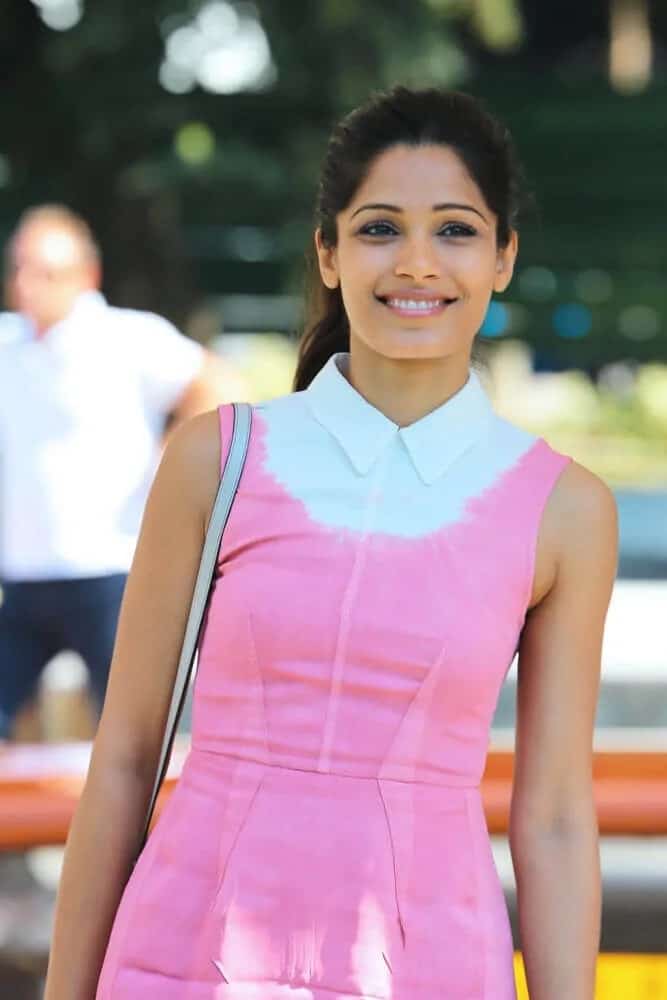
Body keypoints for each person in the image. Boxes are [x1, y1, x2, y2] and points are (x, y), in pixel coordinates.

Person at [44, 87, 617, 1000]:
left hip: (426, 962)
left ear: (504, 256)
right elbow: (122, 761)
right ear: (330, 249)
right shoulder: (218, 459)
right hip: (184, 951)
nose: (417, 263)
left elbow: (551, 816)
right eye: (380, 228)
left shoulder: (564, 509)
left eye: (457, 230)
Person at [0, 205, 246, 739]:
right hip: (22, 577)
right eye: (18, 269)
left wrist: (173, 461)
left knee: (136, 737)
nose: (26, 285)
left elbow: (219, 384)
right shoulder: (7, 343)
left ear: (86, 276)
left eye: (44, 272)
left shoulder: (127, 339)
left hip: (112, 571)